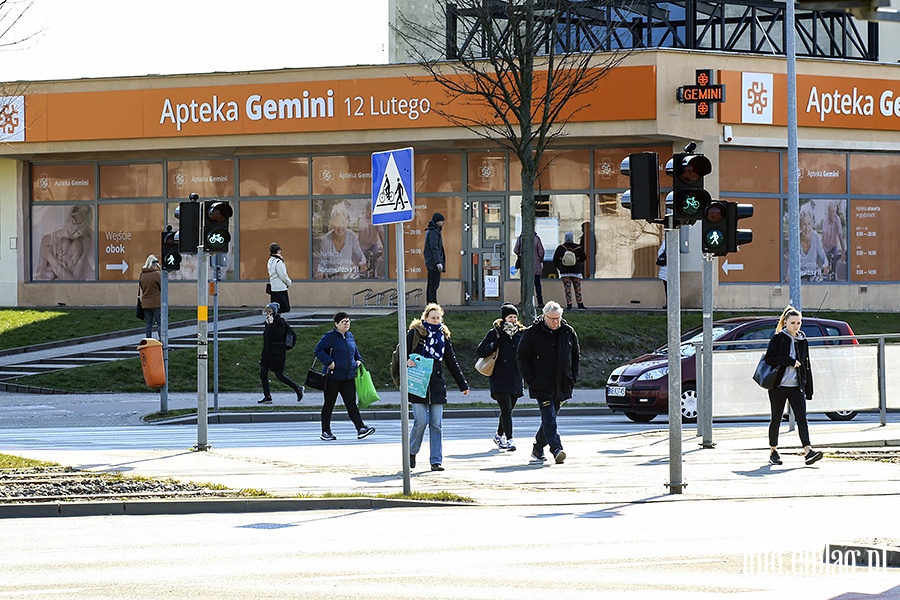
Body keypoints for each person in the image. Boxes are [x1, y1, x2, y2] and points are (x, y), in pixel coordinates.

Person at [406, 303, 469, 471]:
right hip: (418, 383)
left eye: (438, 318)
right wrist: (407, 361)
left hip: (436, 384)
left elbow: (451, 361)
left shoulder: (443, 336)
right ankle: (411, 452)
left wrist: (462, 384)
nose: (436, 321)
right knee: (421, 421)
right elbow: (402, 352)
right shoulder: (415, 333)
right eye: (433, 317)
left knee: (436, 424)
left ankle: (436, 461)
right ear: (425, 318)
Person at [516, 301, 580, 464]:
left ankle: (538, 447)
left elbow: (575, 355)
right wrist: (530, 379)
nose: (555, 322)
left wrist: (573, 377)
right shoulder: (532, 333)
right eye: (552, 319)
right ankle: (556, 449)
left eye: (558, 318)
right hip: (541, 384)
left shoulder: (568, 332)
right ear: (544, 316)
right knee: (549, 417)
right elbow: (522, 356)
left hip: (561, 383)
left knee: (550, 418)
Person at [763, 306, 823, 467]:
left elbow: (806, 365)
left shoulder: (803, 341)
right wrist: (789, 361)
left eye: (799, 323)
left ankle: (808, 451)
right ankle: (773, 451)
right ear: (785, 323)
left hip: (797, 386)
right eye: (793, 323)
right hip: (778, 386)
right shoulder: (778, 339)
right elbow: (769, 359)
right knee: (776, 419)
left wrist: (808, 388)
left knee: (802, 418)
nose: (796, 326)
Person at [314, 311, 376, 441]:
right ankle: (325, 431)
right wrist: (329, 362)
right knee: (329, 404)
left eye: (348, 321)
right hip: (332, 377)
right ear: (336, 324)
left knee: (351, 403)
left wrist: (358, 360)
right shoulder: (329, 337)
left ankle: (361, 428)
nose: (346, 324)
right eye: (343, 322)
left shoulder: (350, 336)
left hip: (348, 377)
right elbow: (318, 350)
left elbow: (355, 351)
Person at [476, 303, 525, 452]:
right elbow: (480, 351)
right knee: (505, 409)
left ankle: (499, 435)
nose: (513, 319)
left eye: (515, 317)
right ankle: (510, 440)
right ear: (504, 318)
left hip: (515, 377)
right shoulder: (496, 333)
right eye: (510, 316)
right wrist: (493, 345)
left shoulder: (521, 333)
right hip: (499, 377)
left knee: (508, 411)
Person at [258, 302, 304, 405]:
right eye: (267, 312)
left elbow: (277, 334)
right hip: (267, 351)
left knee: (279, 375)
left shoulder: (280, 322)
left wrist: (272, 324)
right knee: (263, 372)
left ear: (275, 312)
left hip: (277, 352)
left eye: (270, 311)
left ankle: (297, 388)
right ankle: (267, 396)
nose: (268, 314)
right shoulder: (268, 322)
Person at [35, 205, 93, 280]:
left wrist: (51, 260)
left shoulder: (81, 245)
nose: (72, 231)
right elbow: (39, 276)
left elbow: (74, 281)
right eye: (73, 223)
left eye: (78, 232)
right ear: (69, 215)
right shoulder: (48, 239)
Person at [314, 202, 367, 279]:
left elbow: (360, 255)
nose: (340, 226)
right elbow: (323, 262)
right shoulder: (326, 240)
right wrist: (320, 272)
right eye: (337, 223)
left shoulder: (351, 236)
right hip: (332, 278)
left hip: (348, 277)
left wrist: (362, 263)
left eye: (342, 222)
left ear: (347, 223)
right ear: (332, 224)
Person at [552, 232, 587, 309]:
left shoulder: (560, 248)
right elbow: (584, 257)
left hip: (565, 272)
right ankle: (580, 304)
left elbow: (555, 260)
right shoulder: (578, 248)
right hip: (576, 272)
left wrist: (560, 267)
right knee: (577, 288)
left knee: (568, 289)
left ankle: (569, 305)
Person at [514, 233, 545, 306]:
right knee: (537, 284)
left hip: (525, 265)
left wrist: (520, 254)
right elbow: (541, 252)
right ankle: (540, 302)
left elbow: (516, 250)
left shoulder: (521, 238)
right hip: (535, 265)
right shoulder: (536, 239)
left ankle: (524, 301)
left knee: (525, 284)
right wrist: (539, 260)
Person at [799, 211, 829, 281]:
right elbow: (792, 259)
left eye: (809, 224)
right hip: (800, 275)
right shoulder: (796, 238)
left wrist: (825, 265)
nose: (807, 228)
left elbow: (822, 254)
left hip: (813, 275)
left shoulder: (816, 236)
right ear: (800, 225)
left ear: (812, 224)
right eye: (804, 224)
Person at [424, 212, 446, 304]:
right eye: (442, 221)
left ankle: (431, 304)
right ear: (437, 222)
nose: (443, 222)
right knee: (434, 285)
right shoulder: (433, 232)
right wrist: (438, 262)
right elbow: (434, 247)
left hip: (431, 262)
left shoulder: (433, 230)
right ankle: (432, 304)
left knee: (432, 284)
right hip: (433, 263)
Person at [138, 255, 162, 339]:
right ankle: (162, 342)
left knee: (148, 324)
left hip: (146, 303)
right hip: (156, 303)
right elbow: (162, 288)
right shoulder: (157, 274)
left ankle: (148, 341)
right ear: (155, 264)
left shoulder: (142, 274)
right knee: (160, 323)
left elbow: (142, 287)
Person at [820, 201, 843, 279]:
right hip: (826, 245)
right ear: (828, 211)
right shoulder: (825, 220)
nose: (832, 213)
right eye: (830, 211)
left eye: (833, 211)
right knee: (825, 262)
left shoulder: (837, 219)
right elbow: (824, 235)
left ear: (835, 211)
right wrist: (822, 251)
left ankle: (835, 274)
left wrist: (843, 250)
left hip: (833, 245)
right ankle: (825, 276)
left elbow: (840, 235)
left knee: (836, 259)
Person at [267, 243, 292, 314]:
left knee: (275, 308)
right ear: (278, 251)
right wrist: (288, 282)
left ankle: (275, 321)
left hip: (273, 287)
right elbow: (283, 275)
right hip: (280, 288)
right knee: (281, 309)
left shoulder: (270, 261)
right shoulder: (278, 262)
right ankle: (279, 322)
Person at [657, 239, 667, 305]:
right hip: (667, 269)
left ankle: (668, 303)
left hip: (666, 269)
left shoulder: (666, 241)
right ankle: (670, 303)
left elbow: (660, 252)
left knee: (667, 287)